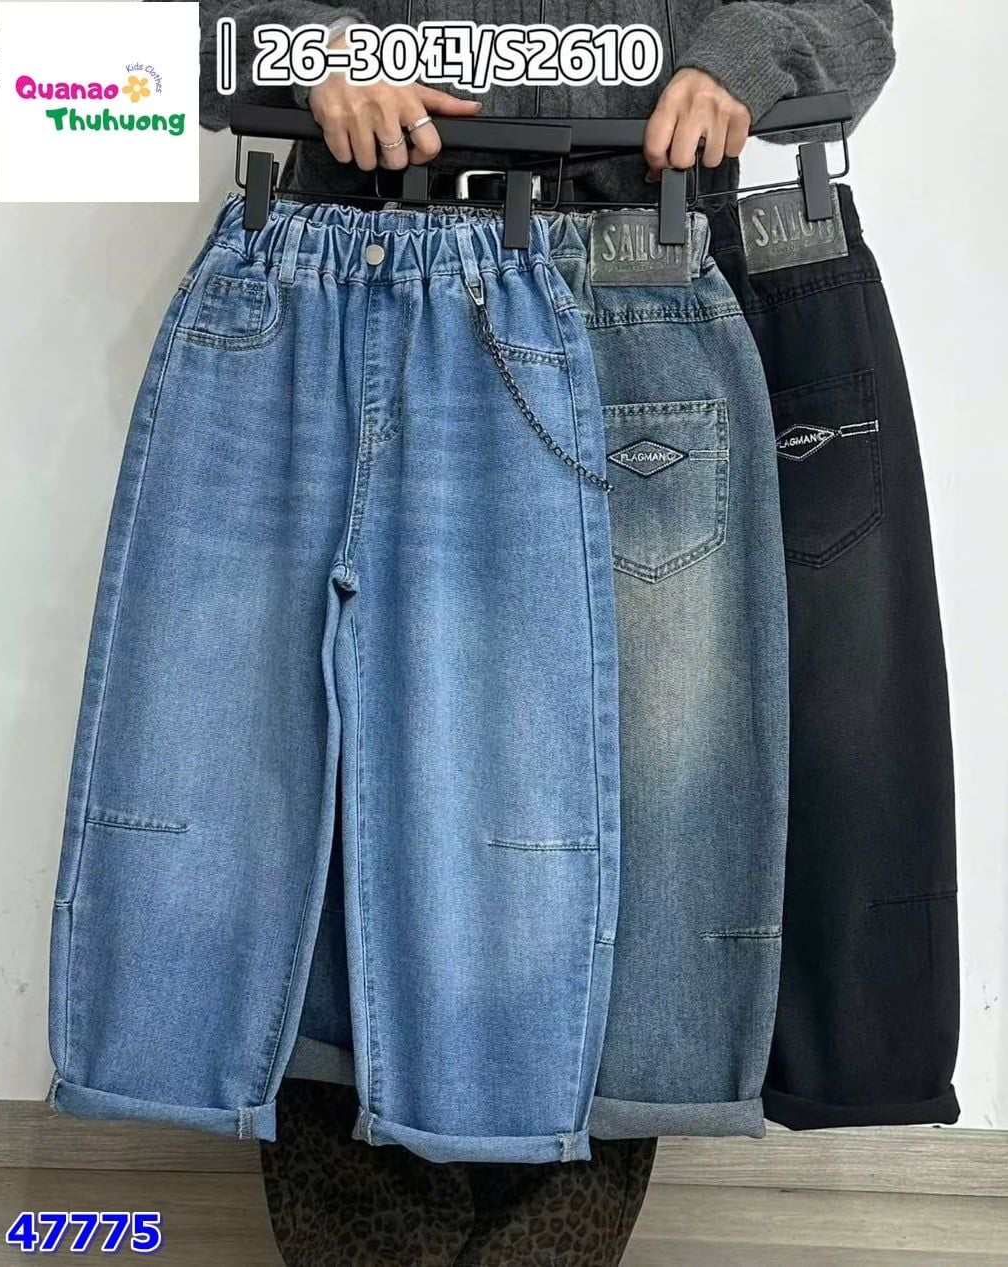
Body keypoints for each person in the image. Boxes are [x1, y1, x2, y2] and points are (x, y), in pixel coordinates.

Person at [183, 3, 895, 1263]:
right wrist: (309, 45)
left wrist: (742, 56)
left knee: (633, 808)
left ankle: (546, 1240)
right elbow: (165, 37)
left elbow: (849, 12)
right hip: (365, 260)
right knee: (342, 790)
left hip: (631, 277)